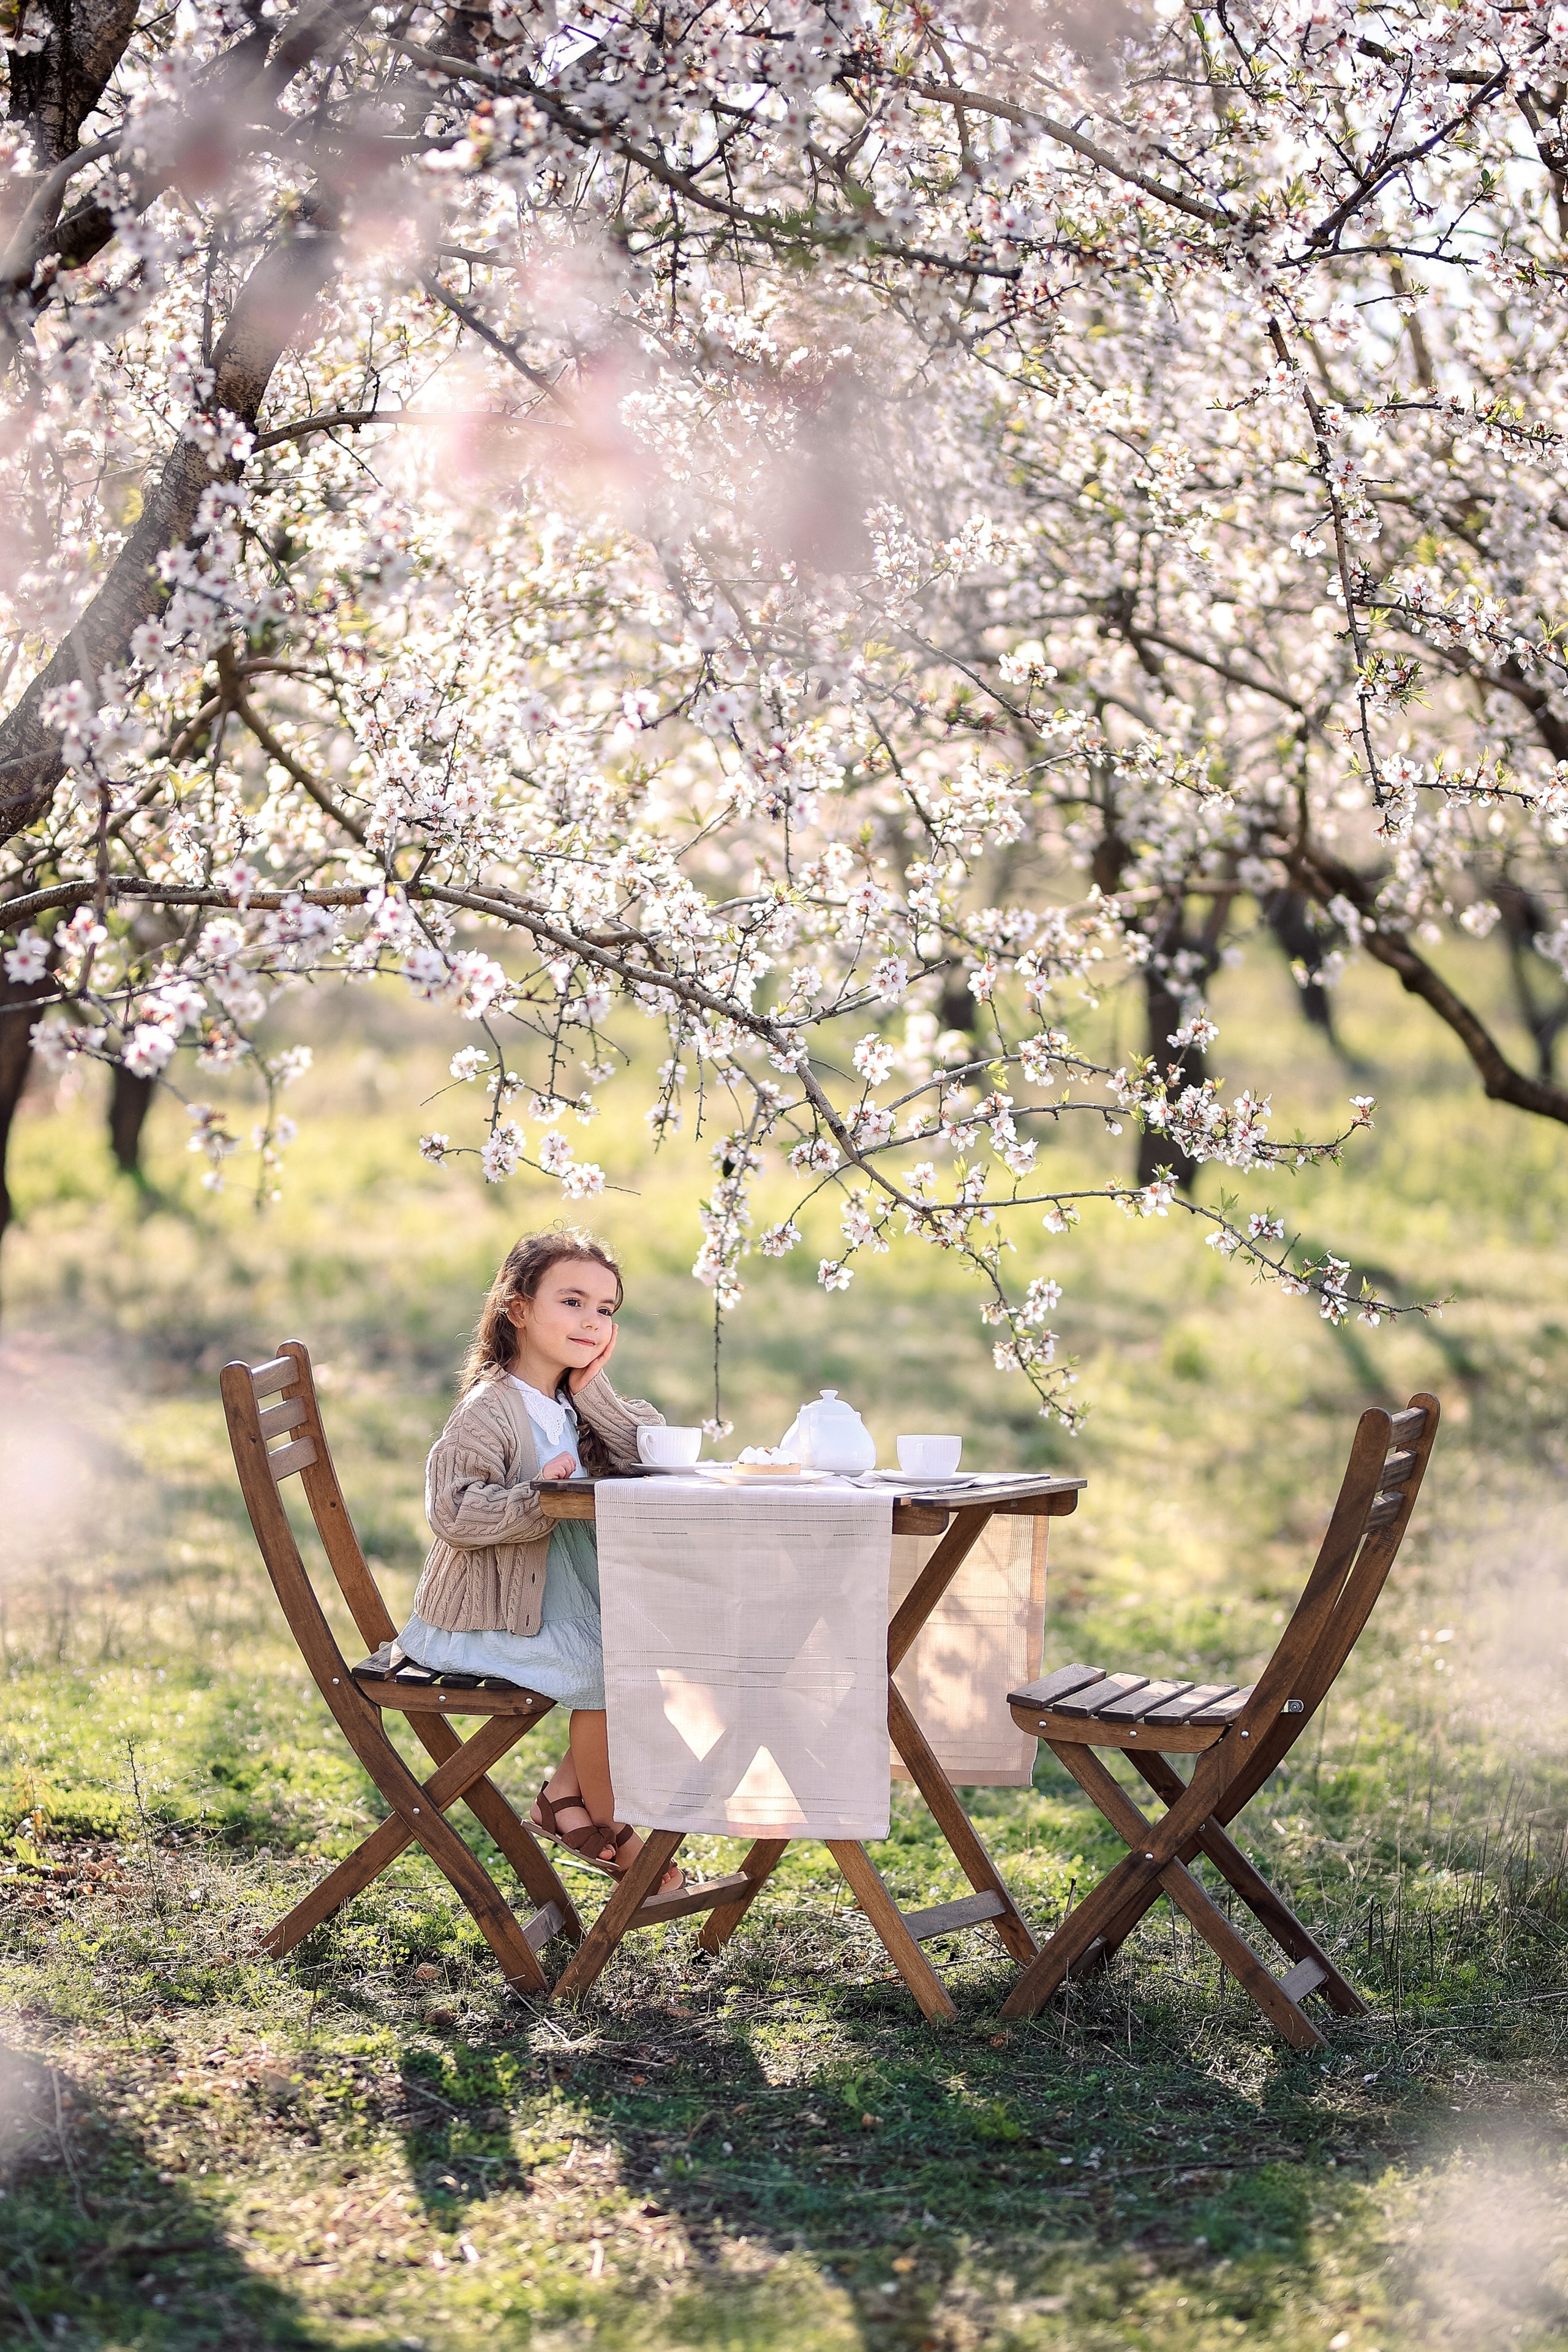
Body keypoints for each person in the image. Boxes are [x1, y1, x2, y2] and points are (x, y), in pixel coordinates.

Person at [396, 1227, 681, 1887]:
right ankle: (612, 1830)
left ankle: (565, 1801)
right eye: (573, 1302)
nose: (591, 1320)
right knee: (611, 1671)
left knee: (651, 1649)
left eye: (605, 1311)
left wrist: (593, 1389)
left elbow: (653, 1453)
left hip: (565, 1600)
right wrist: (538, 1500)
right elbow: (453, 1512)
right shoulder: (489, 1409)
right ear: (517, 1308)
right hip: (488, 1620)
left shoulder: (568, 1401)